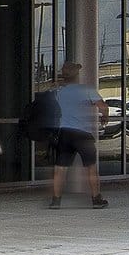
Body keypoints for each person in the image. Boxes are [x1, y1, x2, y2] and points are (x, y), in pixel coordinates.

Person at [47, 62, 107, 208]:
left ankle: (56, 200)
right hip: (83, 134)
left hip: (65, 133)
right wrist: (104, 117)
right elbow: (103, 107)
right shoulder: (85, 90)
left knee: (60, 168)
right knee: (91, 167)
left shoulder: (60, 92)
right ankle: (96, 199)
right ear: (76, 76)